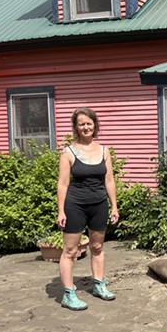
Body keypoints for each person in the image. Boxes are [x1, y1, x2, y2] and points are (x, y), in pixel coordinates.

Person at [56, 107, 119, 310]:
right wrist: (61, 210)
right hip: (75, 205)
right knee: (71, 250)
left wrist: (114, 207)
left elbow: (109, 181)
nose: (86, 127)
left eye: (89, 123)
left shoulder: (104, 150)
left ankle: (99, 285)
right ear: (76, 127)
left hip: (99, 204)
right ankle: (68, 294)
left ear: (95, 125)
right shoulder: (68, 152)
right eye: (81, 123)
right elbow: (63, 184)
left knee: (98, 247)